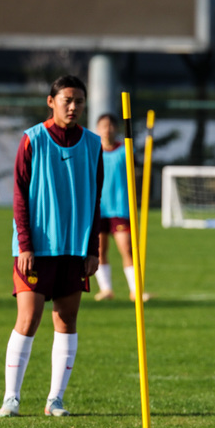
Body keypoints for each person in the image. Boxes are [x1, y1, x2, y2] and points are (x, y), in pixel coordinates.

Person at [0, 75, 103, 418]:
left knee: (67, 319)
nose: (73, 107)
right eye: (66, 100)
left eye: (79, 101)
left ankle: (55, 400)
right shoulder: (32, 139)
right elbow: (19, 195)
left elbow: (95, 199)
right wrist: (25, 245)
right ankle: (11, 398)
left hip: (75, 249)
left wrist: (93, 249)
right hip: (36, 249)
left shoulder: (93, 144)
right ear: (51, 101)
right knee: (28, 318)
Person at [92, 113, 148, 302]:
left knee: (127, 248)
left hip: (120, 207)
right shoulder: (93, 151)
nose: (107, 130)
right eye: (103, 126)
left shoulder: (125, 150)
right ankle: (106, 289)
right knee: (100, 250)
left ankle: (135, 291)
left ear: (116, 128)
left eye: (110, 126)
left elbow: (137, 171)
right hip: (98, 208)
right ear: (98, 129)